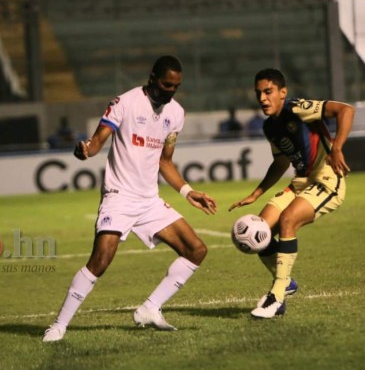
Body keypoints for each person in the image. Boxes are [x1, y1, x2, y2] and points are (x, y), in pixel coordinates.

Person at [43, 56, 217, 342]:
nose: (170, 91)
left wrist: (188, 192)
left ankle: (150, 308)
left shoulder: (176, 113)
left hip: (149, 201)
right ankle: (59, 325)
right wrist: (86, 149)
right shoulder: (124, 102)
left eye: (176, 86)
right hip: (120, 197)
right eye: (166, 84)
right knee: (99, 261)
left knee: (196, 250)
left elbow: (166, 162)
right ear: (152, 78)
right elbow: (98, 141)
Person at [229, 68, 355, 319]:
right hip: (301, 182)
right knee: (260, 230)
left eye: (268, 92)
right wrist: (257, 192)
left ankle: (276, 297)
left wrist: (337, 147)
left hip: (328, 180)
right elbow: (281, 162)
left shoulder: (297, 108)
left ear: (282, 93)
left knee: (288, 220)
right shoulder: (270, 128)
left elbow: (346, 110)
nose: (263, 98)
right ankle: (285, 283)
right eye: (259, 93)